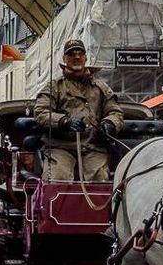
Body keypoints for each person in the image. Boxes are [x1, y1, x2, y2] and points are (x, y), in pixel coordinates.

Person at [34, 38, 123, 182]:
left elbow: (115, 112)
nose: (76, 57)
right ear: (64, 59)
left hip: (93, 146)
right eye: (71, 54)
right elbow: (40, 113)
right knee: (57, 178)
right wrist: (64, 122)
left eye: (80, 53)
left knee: (100, 176)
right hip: (61, 147)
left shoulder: (101, 88)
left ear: (85, 57)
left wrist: (109, 124)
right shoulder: (54, 86)